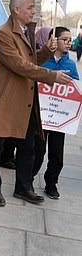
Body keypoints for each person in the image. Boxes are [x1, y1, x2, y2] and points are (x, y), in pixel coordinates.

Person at [0, 0, 72, 207]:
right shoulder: (3, 34)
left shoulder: (26, 32)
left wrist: (46, 53)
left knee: (28, 146)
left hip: (26, 99)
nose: (34, 11)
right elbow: (19, 65)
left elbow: (31, 61)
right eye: (30, 7)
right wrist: (52, 76)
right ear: (16, 10)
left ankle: (23, 187)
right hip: (5, 99)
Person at [32, 26, 79, 199]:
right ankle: (28, 179)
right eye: (65, 39)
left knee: (57, 153)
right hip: (42, 114)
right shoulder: (43, 60)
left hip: (60, 117)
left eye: (70, 40)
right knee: (38, 150)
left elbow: (75, 89)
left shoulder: (71, 64)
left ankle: (51, 183)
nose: (68, 43)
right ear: (55, 40)